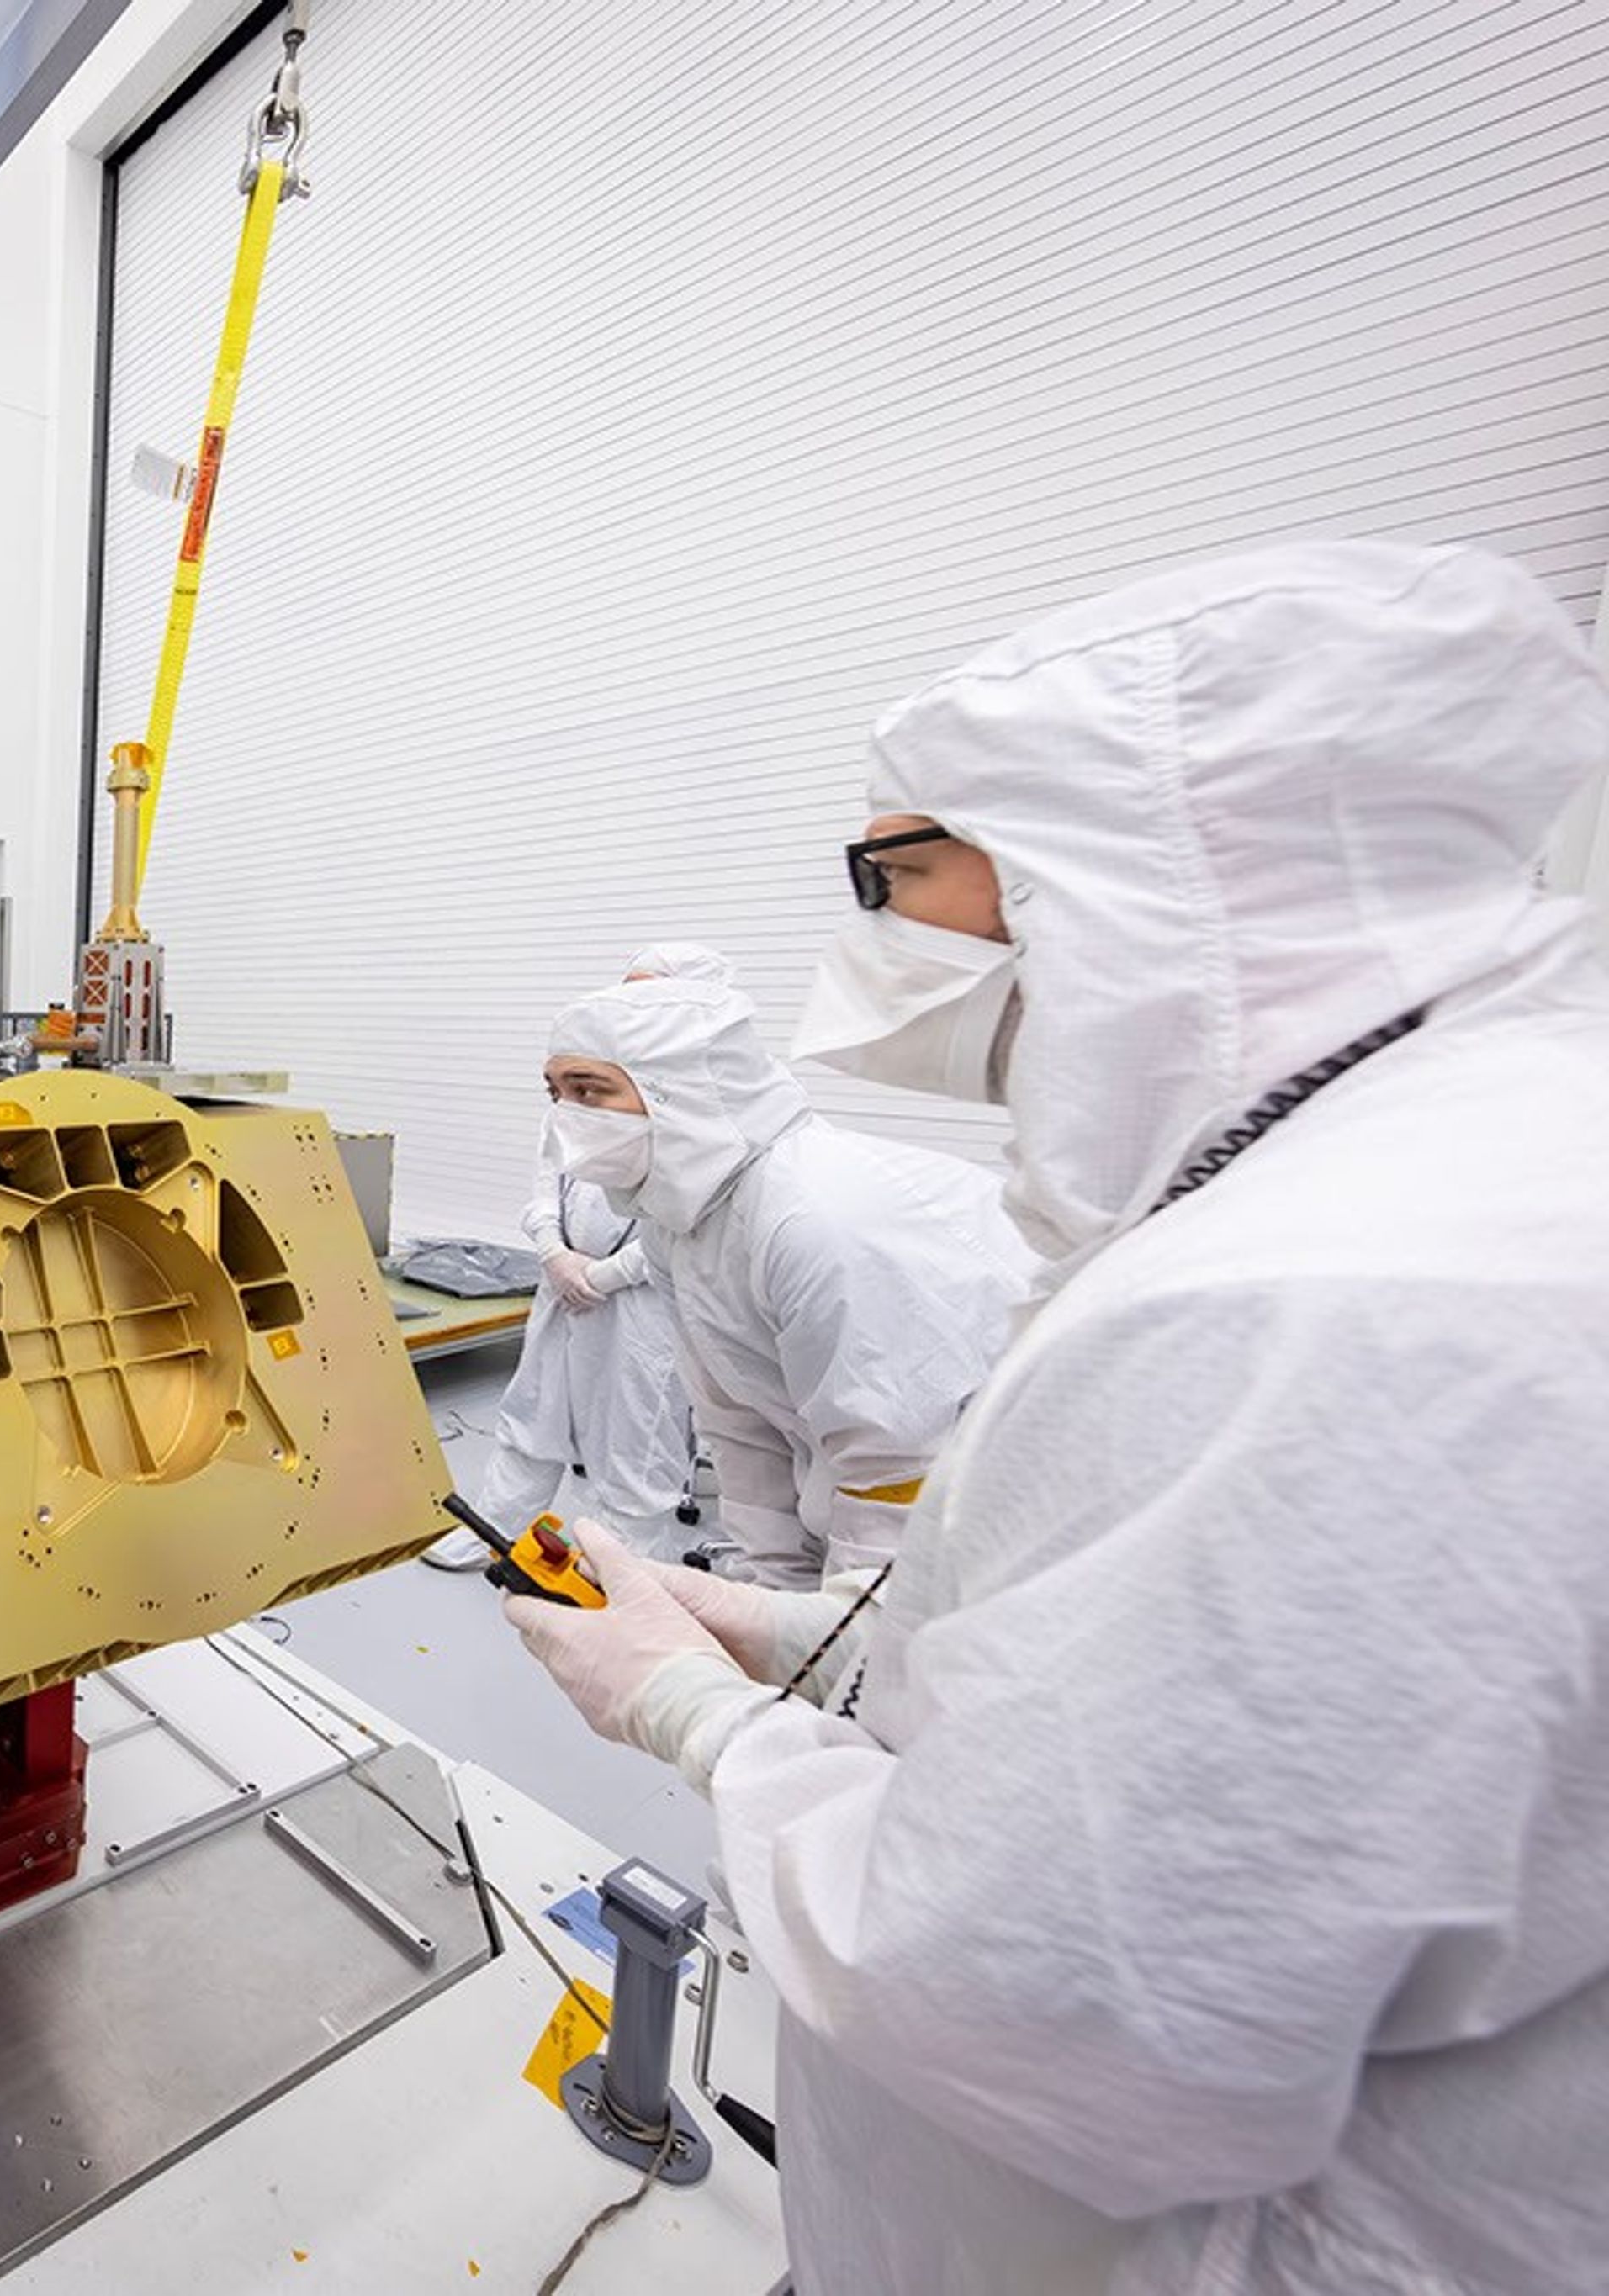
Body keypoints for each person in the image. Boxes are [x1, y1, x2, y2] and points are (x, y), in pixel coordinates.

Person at [505, 541, 1609, 2294]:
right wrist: (799, 1642)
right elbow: (1133, 1692)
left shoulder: (1327, 1301)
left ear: (1126, 855)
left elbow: (1040, 1993)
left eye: (896, 868)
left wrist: (698, 1712)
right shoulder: (1400, 1171)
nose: (871, 929)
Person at [535, 971, 1028, 1585]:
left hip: (1014, 1506)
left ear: (679, 1092)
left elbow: (894, 1471)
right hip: (894, 1494)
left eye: (590, 1091)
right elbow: (737, 1419)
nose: (566, 1116)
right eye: (556, 1093)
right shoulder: (677, 1223)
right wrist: (773, 1585)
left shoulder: (814, 1217)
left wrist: (834, 1642)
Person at [426, 946, 736, 1571]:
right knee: (532, 1412)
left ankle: (621, 1567)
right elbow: (546, 1182)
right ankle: (496, 1531)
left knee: (635, 1439)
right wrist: (553, 1253)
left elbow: (700, 1218)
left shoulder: (712, 1109)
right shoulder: (581, 1089)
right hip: (561, 1282)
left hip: (644, 1302)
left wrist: (607, 1274)